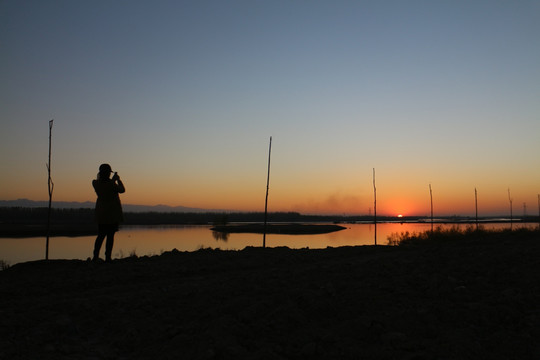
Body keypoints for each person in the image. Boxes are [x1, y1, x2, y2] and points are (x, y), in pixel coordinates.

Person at [92, 163, 125, 262]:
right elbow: (121, 190)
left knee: (102, 235)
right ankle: (106, 257)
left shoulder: (97, 183)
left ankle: (97, 256)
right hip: (111, 214)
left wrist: (116, 180)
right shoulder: (107, 184)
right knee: (108, 236)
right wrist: (116, 180)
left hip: (102, 214)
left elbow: (120, 189)